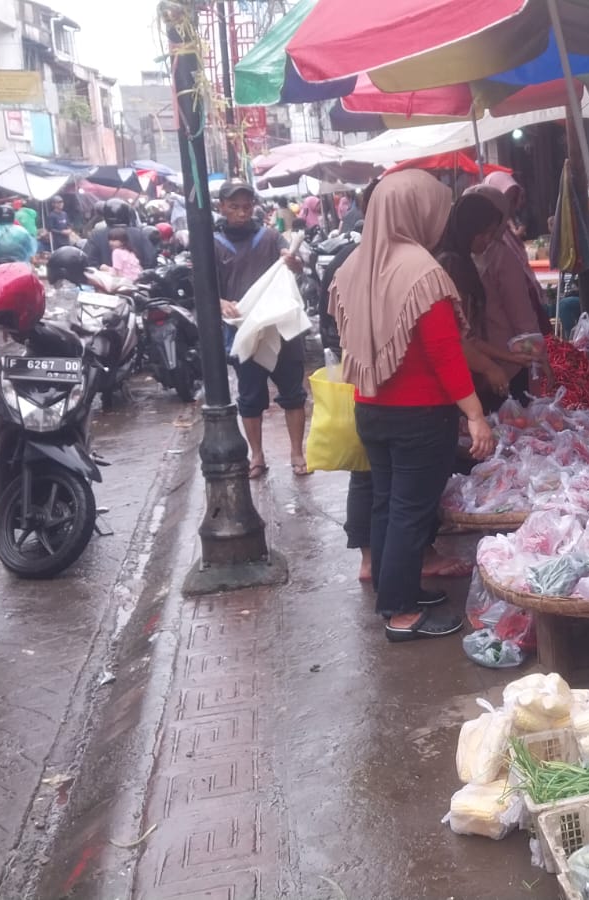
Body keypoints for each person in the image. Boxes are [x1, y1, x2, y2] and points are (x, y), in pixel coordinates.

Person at [330, 169, 496, 642]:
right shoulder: (421, 271)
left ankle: (393, 590)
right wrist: (475, 414)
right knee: (408, 511)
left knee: (387, 505)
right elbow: (444, 353)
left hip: (371, 406)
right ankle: (401, 613)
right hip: (419, 413)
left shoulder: (353, 265)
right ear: (416, 211)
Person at [213, 180, 308, 478]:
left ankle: (297, 453)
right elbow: (203, 289)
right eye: (234, 207)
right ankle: (257, 455)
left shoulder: (269, 237)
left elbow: (297, 264)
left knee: (293, 394)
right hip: (244, 331)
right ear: (222, 207)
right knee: (250, 398)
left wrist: (293, 263)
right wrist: (221, 302)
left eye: (246, 206)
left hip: (280, 329)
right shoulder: (213, 244)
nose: (242, 213)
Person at [447, 187, 547, 403]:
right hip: (498, 368)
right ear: (470, 227)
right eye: (484, 232)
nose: (488, 239)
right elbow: (464, 336)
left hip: (486, 367)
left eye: (492, 233)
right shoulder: (459, 264)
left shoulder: (465, 257)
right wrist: (531, 357)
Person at [483, 172, 551, 333]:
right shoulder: (492, 240)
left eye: (514, 199)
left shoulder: (506, 233)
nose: (512, 205)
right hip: (508, 321)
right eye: (507, 199)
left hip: (524, 309)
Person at [86, 199, 158, 269]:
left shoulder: (96, 235)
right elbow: (150, 261)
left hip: (105, 279)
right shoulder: (140, 234)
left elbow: (89, 261)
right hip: (136, 278)